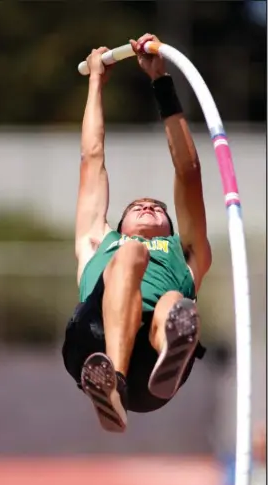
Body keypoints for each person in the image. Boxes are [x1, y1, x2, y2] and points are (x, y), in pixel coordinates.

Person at [62, 33, 212, 433]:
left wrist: (160, 80)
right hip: (95, 348)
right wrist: (96, 83)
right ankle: (114, 381)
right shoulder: (99, 242)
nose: (148, 206)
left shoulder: (189, 252)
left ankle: (169, 350)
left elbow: (188, 172)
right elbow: (92, 157)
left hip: (154, 373)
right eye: (137, 207)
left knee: (175, 304)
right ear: (118, 222)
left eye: (158, 208)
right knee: (131, 256)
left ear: (171, 225)